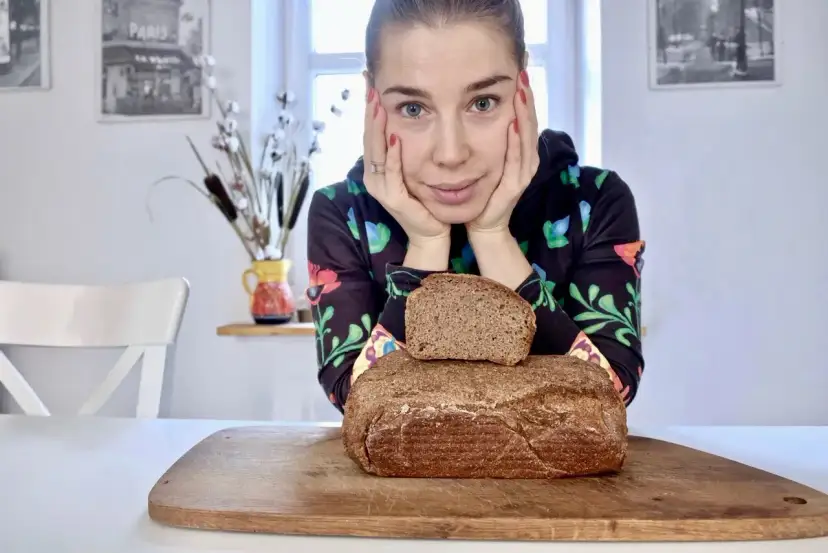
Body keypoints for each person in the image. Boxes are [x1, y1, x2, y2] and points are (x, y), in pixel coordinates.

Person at [305, 0, 645, 414]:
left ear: (524, 85)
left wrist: (493, 239)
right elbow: (359, 407)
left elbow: (607, 401)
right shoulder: (341, 214)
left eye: (482, 102)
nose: (451, 154)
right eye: (413, 108)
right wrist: (426, 247)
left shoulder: (594, 201)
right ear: (371, 99)